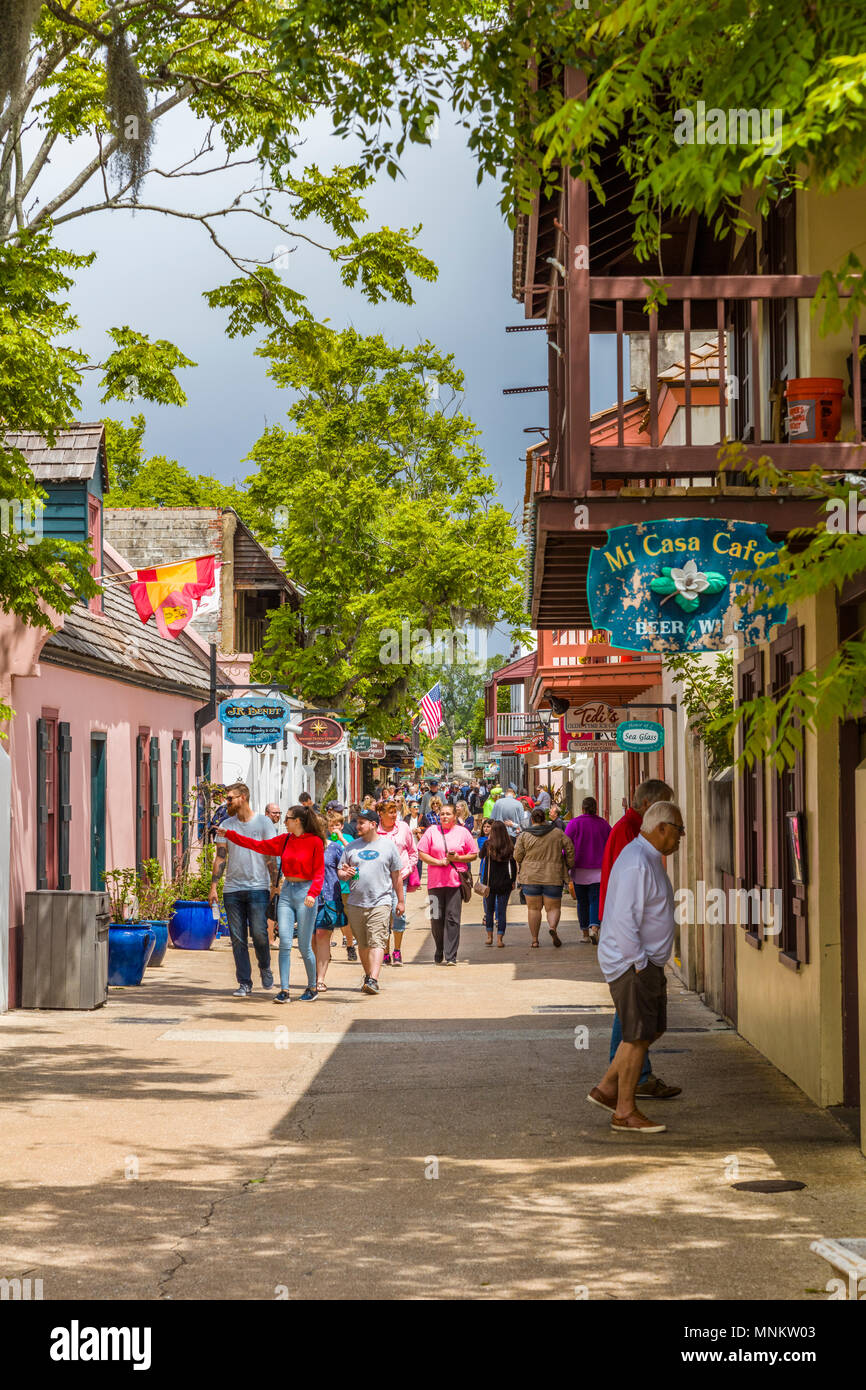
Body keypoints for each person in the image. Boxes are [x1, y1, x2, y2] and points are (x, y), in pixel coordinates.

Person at [588, 802, 684, 1133]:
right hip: (633, 964)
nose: (680, 838)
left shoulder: (647, 858)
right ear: (662, 828)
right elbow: (625, 919)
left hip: (645, 964)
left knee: (651, 1030)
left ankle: (606, 1089)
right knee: (636, 1036)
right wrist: (640, 964)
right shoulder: (637, 863)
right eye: (679, 830)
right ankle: (624, 1111)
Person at [221, 804, 325, 1003]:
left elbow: (319, 872)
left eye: (287, 818)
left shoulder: (315, 842)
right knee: (285, 942)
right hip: (287, 891)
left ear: (298, 821)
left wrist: (313, 893)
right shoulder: (285, 840)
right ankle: (284, 990)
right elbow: (258, 845)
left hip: (306, 892)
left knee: (304, 946)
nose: (284, 821)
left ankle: (312, 986)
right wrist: (230, 835)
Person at [210, 783, 280, 997]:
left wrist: (274, 885)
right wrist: (214, 886)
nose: (227, 802)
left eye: (230, 798)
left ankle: (265, 966)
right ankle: (244, 982)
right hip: (232, 889)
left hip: (258, 887)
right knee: (237, 938)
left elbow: (271, 856)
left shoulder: (263, 823)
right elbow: (220, 856)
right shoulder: (226, 824)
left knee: (259, 934)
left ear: (243, 797)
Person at [337, 808, 404, 995]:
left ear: (373, 824)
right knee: (364, 944)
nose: (357, 826)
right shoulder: (351, 847)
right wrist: (345, 873)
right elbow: (340, 872)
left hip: (380, 902)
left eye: (361, 823)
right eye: (357, 822)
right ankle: (369, 977)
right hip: (356, 903)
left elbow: (396, 876)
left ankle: (374, 978)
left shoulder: (388, 846)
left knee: (377, 941)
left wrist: (400, 901)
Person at [417, 802, 478, 965]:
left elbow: (473, 854)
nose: (444, 816)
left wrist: (457, 858)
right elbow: (422, 852)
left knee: (453, 919)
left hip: (455, 883)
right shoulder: (431, 831)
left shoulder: (463, 833)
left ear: (454, 816)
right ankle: (439, 948)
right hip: (435, 883)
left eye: (448, 814)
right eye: (442, 814)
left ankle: (451, 955)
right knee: (436, 918)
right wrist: (438, 861)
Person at [514, 807, 575, 947]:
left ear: (532, 819)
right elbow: (570, 848)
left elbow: (517, 855)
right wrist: (568, 864)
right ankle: (552, 927)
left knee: (533, 909)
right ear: (545, 818)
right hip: (553, 875)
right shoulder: (557, 833)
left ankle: (535, 940)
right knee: (553, 908)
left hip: (530, 877)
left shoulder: (524, 835)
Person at [314, 808, 357, 986]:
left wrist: (345, 873)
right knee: (310, 940)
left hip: (330, 895)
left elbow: (351, 856)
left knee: (322, 934)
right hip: (308, 897)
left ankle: (320, 979)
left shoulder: (334, 847)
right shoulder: (305, 846)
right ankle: (319, 965)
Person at [565, 797, 612, 944]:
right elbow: (610, 843)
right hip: (598, 871)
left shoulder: (574, 823)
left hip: (579, 870)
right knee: (595, 900)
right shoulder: (603, 825)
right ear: (596, 808)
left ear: (582, 808)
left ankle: (585, 933)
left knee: (582, 902)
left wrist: (565, 861)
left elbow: (566, 844)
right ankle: (594, 928)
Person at [378, 799, 418, 966]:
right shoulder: (375, 831)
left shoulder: (403, 828)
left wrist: (408, 868)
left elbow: (412, 851)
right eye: (390, 812)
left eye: (395, 812)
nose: (394, 815)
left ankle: (397, 950)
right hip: (380, 880)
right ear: (381, 814)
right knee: (382, 916)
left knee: (398, 913)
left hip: (400, 878)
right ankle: (385, 952)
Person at [479, 820, 517, 946]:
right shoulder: (509, 845)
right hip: (505, 883)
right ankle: (500, 939)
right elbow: (513, 865)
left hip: (489, 883)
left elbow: (480, 856)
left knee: (489, 911)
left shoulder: (487, 844)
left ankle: (489, 937)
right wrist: (513, 881)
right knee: (502, 911)